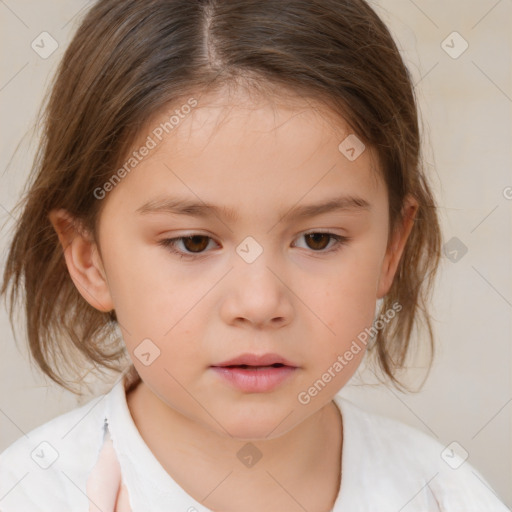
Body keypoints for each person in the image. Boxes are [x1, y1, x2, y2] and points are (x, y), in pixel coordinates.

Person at [0, 0, 508, 511]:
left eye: (318, 239)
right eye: (194, 242)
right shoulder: (28, 495)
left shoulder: (449, 496)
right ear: (89, 259)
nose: (260, 302)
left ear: (391, 248)